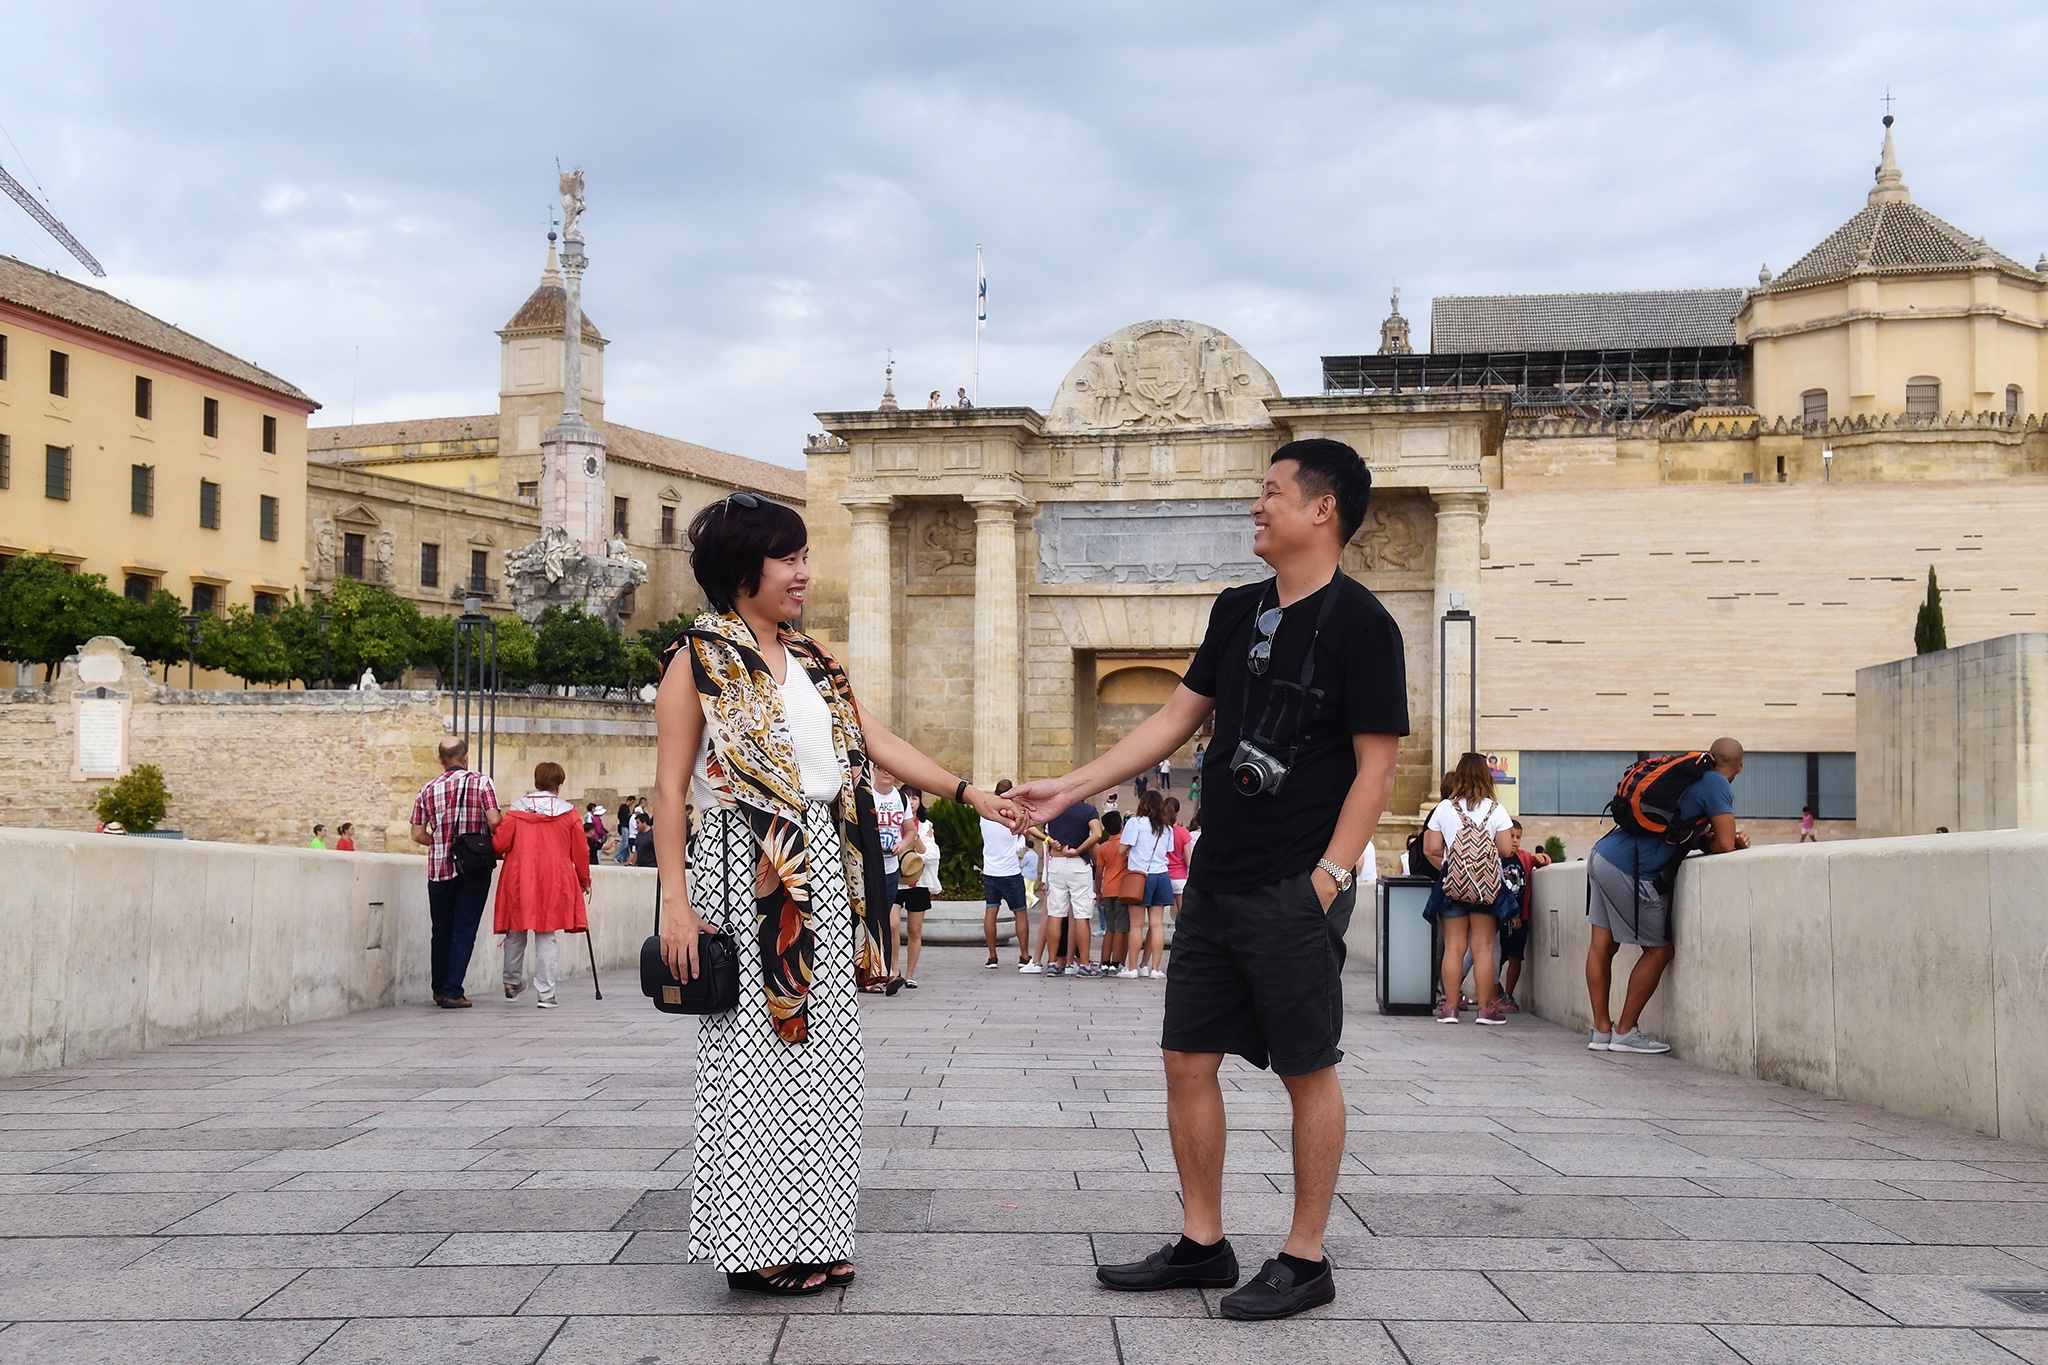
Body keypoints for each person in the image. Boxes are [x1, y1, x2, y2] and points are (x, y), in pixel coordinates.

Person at [1009, 438, 1406, 1319]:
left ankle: (1305, 1257)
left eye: (1272, 492)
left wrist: (1329, 880)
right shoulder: (1237, 610)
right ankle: (1203, 1242)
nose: (1257, 506)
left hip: (1294, 885)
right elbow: (1173, 719)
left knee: (1307, 1067)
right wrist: (1068, 787)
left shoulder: (1364, 626)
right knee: (1186, 1058)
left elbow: (1376, 770)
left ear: (1323, 509)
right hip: (1218, 881)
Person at [651, 491, 1012, 1297]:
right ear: (743, 568)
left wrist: (969, 791)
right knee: (754, 1062)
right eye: (789, 557)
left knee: (824, 1063)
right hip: (745, 864)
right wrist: (675, 903)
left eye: (804, 556)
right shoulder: (699, 656)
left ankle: (812, 1233)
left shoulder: (812, 659)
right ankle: (756, 1247)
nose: (803, 572)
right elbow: (671, 790)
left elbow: (871, 739)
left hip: (822, 858)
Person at [1586, 738, 1749, 1054]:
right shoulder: (1716, 783)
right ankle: (1625, 1032)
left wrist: (1705, 837)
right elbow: (1727, 844)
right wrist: (1724, 841)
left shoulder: (1687, 774)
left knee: (1601, 946)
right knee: (1659, 952)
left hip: (1602, 853)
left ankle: (1601, 1030)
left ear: (1710, 755)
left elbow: (1682, 828)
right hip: (1632, 867)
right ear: (1739, 767)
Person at [410, 736, 503, 1010]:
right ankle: (453, 991)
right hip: (473, 867)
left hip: (439, 868)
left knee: (440, 929)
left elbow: (417, 833)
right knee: (464, 928)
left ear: (440, 760)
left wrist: (441, 841)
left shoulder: (426, 790)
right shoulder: (481, 782)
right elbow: (495, 820)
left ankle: (439, 990)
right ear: (465, 757)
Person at [1423, 752, 1516, 1026]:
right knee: (1484, 948)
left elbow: (1430, 848)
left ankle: (1450, 1008)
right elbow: (1506, 849)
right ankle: (1485, 1010)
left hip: (1453, 884)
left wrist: (1453, 864)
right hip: (1486, 887)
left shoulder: (1444, 808)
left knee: (1454, 947)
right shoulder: (1496, 810)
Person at [492, 761, 590, 1009]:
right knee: (546, 936)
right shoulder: (568, 814)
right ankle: (546, 993)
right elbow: (581, 851)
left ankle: (511, 981)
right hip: (554, 878)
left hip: (519, 876)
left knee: (516, 931)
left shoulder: (516, 811)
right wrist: (584, 880)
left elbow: (500, 844)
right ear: (559, 784)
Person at [1043, 792, 1102, 977]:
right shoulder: (1088, 811)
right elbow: (1097, 833)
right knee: (1081, 915)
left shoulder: (1054, 810)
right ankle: (1084, 964)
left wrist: (1048, 840)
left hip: (1057, 864)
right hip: (1078, 864)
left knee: (1055, 914)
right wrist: (1079, 849)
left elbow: (1032, 827)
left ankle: (1052, 962)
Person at [1495, 820, 1549, 1013]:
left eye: (1518, 837)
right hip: (1499, 919)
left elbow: (1542, 859)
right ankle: (1494, 992)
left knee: (1515, 956)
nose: (1515, 841)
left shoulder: (1524, 857)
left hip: (1520, 919)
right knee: (1496, 957)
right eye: (1511, 836)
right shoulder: (1495, 857)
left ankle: (1508, 993)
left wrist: (1543, 858)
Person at [1121, 790, 1175, 979]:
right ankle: (1155, 968)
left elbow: (1122, 849)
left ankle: (1133, 968)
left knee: (1136, 926)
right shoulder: (1167, 828)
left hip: (1140, 876)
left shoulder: (1135, 823)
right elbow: (1168, 851)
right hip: (1161, 875)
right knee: (1157, 925)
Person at [978, 780, 1030, 970]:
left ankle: (992, 956)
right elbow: (1023, 838)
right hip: (1010, 871)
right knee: (1020, 913)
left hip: (990, 870)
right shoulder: (1014, 816)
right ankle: (1024, 955)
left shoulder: (985, 815)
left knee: (991, 911)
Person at [895, 791, 939, 988]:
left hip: (918, 883)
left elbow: (931, 855)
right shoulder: (893, 824)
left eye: (914, 798)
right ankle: (893, 969)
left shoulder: (926, 826)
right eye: (907, 798)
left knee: (915, 930)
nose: (911, 802)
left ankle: (910, 973)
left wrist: (914, 836)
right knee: (892, 925)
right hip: (896, 881)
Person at [871, 769, 907, 994]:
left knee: (891, 923)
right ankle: (873, 973)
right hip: (870, 870)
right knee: (872, 922)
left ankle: (894, 970)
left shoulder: (900, 797)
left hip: (892, 869)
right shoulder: (866, 795)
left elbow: (910, 831)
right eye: (882, 768)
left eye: (890, 769)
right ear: (873, 770)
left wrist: (903, 844)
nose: (887, 773)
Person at [1095, 809, 1131, 975]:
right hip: (1123, 889)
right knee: (1121, 928)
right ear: (1121, 826)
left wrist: (1098, 892)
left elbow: (1099, 872)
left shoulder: (1103, 847)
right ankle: (1116, 962)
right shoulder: (1125, 846)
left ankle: (1104, 962)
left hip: (1107, 889)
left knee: (1109, 928)